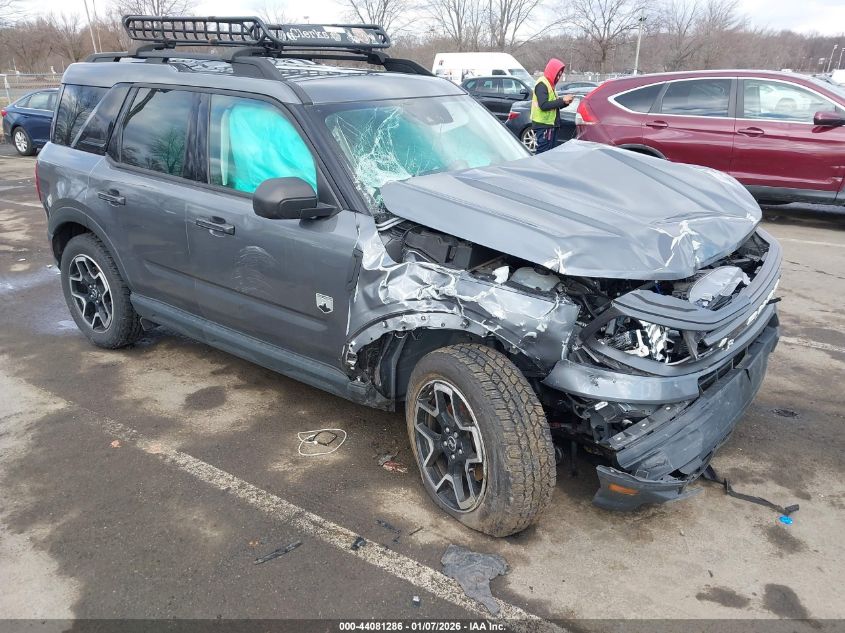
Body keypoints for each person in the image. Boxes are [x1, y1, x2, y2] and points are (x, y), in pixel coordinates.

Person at [530, 58, 574, 154]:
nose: (558, 77)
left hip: (550, 125)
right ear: (552, 71)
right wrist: (562, 100)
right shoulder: (542, 84)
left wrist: (565, 103)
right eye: (557, 74)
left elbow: (553, 105)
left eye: (560, 75)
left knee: (549, 153)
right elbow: (544, 105)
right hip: (544, 125)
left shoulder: (550, 85)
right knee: (543, 153)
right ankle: (538, 169)